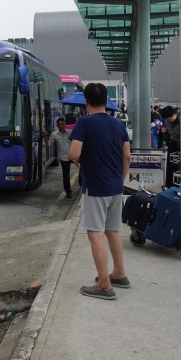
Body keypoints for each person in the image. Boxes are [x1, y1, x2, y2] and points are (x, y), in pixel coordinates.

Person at [69, 83, 132, 301]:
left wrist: (78, 162)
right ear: (106, 100)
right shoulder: (118, 124)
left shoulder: (84, 122)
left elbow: (74, 152)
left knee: (95, 233)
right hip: (115, 187)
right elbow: (127, 157)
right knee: (112, 230)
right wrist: (120, 179)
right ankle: (119, 274)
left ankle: (104, 284)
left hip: (95, 187)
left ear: (86, 102)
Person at [52, 118, 73, 198]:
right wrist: (45, 137)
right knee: (66, 175)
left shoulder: (70, 132)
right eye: (61, 124)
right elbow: (49, 145)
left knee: (83, 170)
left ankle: (82, 184)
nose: (63, 126)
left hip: (73, 155)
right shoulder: (55, 134)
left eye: (64, 124)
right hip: (64, 158)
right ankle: (68, 191)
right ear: (57, 125)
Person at [160, 106, 180, 189]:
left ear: (174, 114)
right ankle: (170, 186)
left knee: (178, 169)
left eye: (168, 119)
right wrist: (163, 130)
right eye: (166, 119)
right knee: (170, 169)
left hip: (180, 148)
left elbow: (174, 136)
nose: (167, 121)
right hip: (172, 147)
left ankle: (177, 186)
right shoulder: (168, 122)